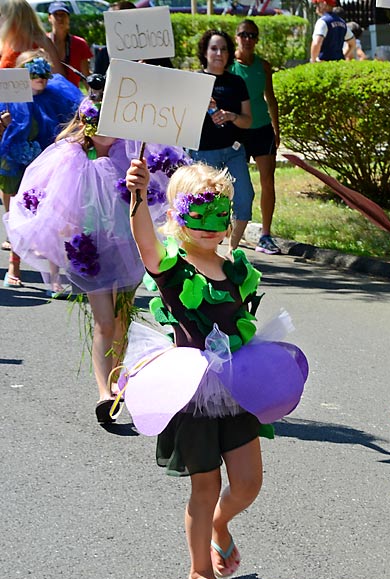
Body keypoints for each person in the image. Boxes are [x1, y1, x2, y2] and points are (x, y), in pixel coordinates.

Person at [124, 157, 307, 579]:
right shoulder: (173, 269)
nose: (209, 227)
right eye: (197, 214)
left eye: (218, 215)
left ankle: (219, 527)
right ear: (177, 216)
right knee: (203, 484)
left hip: (237, 385)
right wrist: (136, 195)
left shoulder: (234, 269)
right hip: (192, 389)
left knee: (248, 482)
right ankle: (199, 572)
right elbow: (146, 245)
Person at [4, 94, 177, 419]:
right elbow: (55, 200)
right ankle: (104, 392)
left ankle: (117, 379)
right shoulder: (71, 156)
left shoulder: (132, 152)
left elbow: (157, 190)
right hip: (92, 250)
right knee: (103, 322)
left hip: (128, 246)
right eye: (100, 125)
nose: (108, 133)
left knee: (122, 320)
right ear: (87, 124)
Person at [0, 50, 82, 288]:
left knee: (52, 220)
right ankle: (14, 267)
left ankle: (55, 278)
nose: (41, 77)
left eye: (44, 72)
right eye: (34, 71)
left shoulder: (57, 97)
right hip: (17, 166)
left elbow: (69, 126)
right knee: (17, 218)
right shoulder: (10, 101)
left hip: (47, 168)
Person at [190, 29, 253, 251]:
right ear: (205, 52)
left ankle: (231, 252)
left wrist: (231, 116)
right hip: (203, 153)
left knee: (244, 198)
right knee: (206, 205)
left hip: (234, 151)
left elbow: (247, 120)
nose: (219, 53)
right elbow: (181, 120)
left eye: (224, 48)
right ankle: (206, 253)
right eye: (214, 48)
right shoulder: (195, 80)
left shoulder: (237, 82)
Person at [231, 19, 281, 255]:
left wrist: (276, 129)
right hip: (238, 130)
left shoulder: (264, 66)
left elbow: (270, 99)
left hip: (262, 130)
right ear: (236, 37)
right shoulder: (229, 66)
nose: (248, 39)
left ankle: (266, 235)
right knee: (234, 183)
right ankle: (229, 228)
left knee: (267, 181)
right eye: (244, 35)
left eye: (252, 35)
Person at [46, 1, 92, 87]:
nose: (60, 18)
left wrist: (93, 96)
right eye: (56, 14)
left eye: (63, 14)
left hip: (72, 96)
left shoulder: (80, 44)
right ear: (49, 18)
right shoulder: (42, 42)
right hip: (48, 95)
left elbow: (86, 75)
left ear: (68, 18)